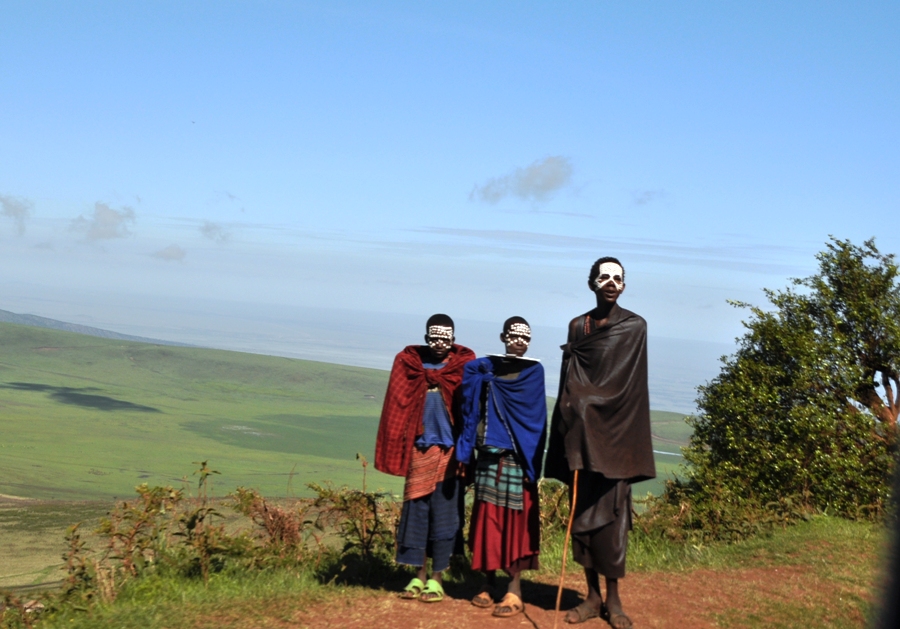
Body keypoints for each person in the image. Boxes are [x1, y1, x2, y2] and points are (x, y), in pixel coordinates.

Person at [545, 257, 656, 628]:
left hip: (616, 439)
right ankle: (591, 598)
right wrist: (569, 410)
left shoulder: (634, 326)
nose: (610, 282)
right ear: (592, 283)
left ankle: (614, 599)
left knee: (612, 524)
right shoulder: (578, 326)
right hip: (581, 436)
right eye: (603, 276)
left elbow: (625, 386)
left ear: (624, 286)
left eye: (617, 278)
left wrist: (589, 402)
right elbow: (570, 379)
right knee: (582, 520)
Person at [374, 314, 475, 603]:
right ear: (426, 336)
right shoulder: (410, 366)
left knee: (444, 516)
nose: (440, 343)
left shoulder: (462, 368)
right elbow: (398, 404)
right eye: (434, 337)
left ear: (453, 339)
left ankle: (438, 578)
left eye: (445, 337)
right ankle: (417, 576)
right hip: (419, 451)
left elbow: (471, 408)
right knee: (417, 514)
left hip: (449, 453)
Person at [456, 316, 547, 618]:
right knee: (487, 519)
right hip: (488, 454)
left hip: (518, 457)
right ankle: (486, 582)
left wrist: (531, 460)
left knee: (514, 523)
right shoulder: (485, 369)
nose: (519, 341)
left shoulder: (534, 372)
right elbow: (468, 379)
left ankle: (514, 590)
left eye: (525, 337)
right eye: (514, 335)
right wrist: (486, 377)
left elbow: (535, 420)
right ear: (503, 336)